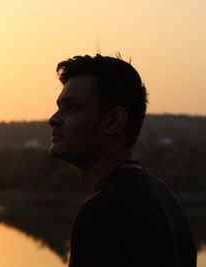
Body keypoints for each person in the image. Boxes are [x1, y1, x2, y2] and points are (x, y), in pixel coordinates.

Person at [48, 54, 197, 267]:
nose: (53, 119)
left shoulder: (105, 210)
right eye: (59, 107)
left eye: (72, 108)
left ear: (114, 121)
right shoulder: (161, 195)